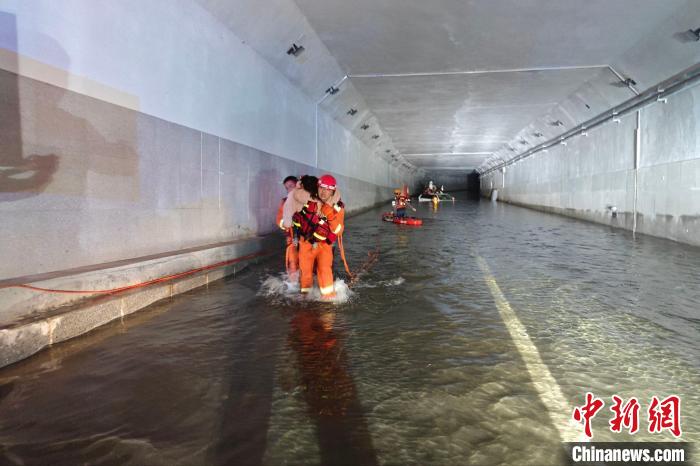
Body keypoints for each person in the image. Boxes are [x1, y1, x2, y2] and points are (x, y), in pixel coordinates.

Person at [283, 174, 345, 300]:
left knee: (324, 271)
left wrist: (330, 215)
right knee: (305, 273)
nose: (324, 192)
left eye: (328, 189)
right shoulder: (306, 199)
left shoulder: (337, 206)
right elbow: (291, 209)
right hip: (305, 243)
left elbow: (338, 230)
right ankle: (305, 299)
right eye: (321, 188)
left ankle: (329, 300)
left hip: (324, 246)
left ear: (333, 190)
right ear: (317, 187)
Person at [276, 175, 299, 280]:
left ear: (298, 185)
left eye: (291, 186)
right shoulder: (284, 201)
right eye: (287, 188)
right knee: (292, 263)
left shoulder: (307, 199)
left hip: (306, 238)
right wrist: (286, 223)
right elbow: (279, 220)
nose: (289, 189)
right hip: (291, 237)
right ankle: (293, 286)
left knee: (308, 263)